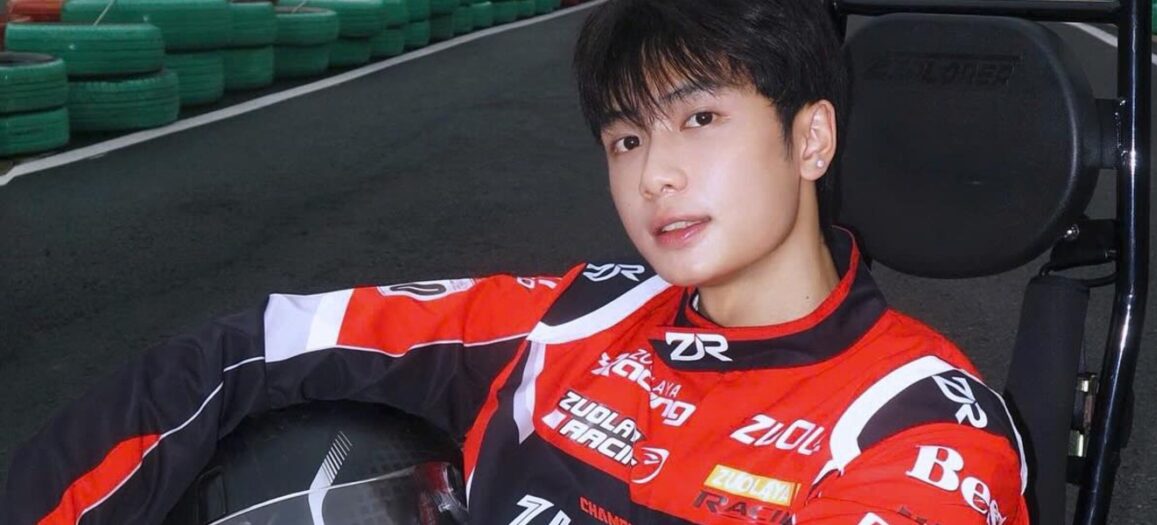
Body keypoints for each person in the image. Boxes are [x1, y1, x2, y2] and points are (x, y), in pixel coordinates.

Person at [1, 0, 1029, 523]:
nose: (654, 176)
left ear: (811, 138)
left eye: (700, 119)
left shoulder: (922, 423)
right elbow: (249, 348)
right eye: (626, 138)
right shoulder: (575, 314)